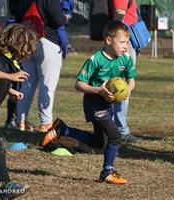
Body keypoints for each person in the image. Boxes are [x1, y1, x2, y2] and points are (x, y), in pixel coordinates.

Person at [42, 20, 137, 184]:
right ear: (108, 40)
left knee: (98, 142)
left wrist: (127, 89)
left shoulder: (125, 59)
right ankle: (107, 172)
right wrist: (99, 90)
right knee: (115, 136)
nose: (126, 46)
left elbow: (131, 80)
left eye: (127, 42)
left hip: (108, 105)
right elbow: (79, 84)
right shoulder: (96, 60)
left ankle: (62, 129)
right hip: (94, 103)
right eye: (122, 42)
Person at [0, 24, 38, 199]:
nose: (30, 52)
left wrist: (9, 90)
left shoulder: (6, 62)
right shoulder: (0, 62)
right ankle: (5, 186)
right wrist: (9, 78)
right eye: (29, 48)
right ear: (21, 47)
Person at [9, 0, 69, 132]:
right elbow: (58, 19)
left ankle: (21, 121)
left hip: (26, 40)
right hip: (47, 40)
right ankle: (46, 123)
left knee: (26, 84)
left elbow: (14, 12)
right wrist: (65, 17)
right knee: (47, 85)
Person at [110, 0, 142, 143]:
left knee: (117, 84)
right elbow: (119, 12)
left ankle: (112, 127)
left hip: (121, 40)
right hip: (123, 41)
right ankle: (119, 129)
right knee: (121, 85)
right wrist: (120, 40)